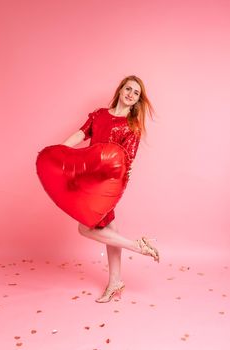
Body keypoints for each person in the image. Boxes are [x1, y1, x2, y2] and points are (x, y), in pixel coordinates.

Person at [62, 75, 160, 302]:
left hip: (108, 183)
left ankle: (137, 246)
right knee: (110, 229)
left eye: (136, 93)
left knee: (84, 228)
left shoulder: (131, 126)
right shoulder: (99, 115)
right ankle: (115, 281)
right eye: (128, 89)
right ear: (120, 90)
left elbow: (128, 159)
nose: (131, 94)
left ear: (137, 101)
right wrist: (61, 148)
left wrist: (121, 170)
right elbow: (81, 133)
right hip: (88, 177)